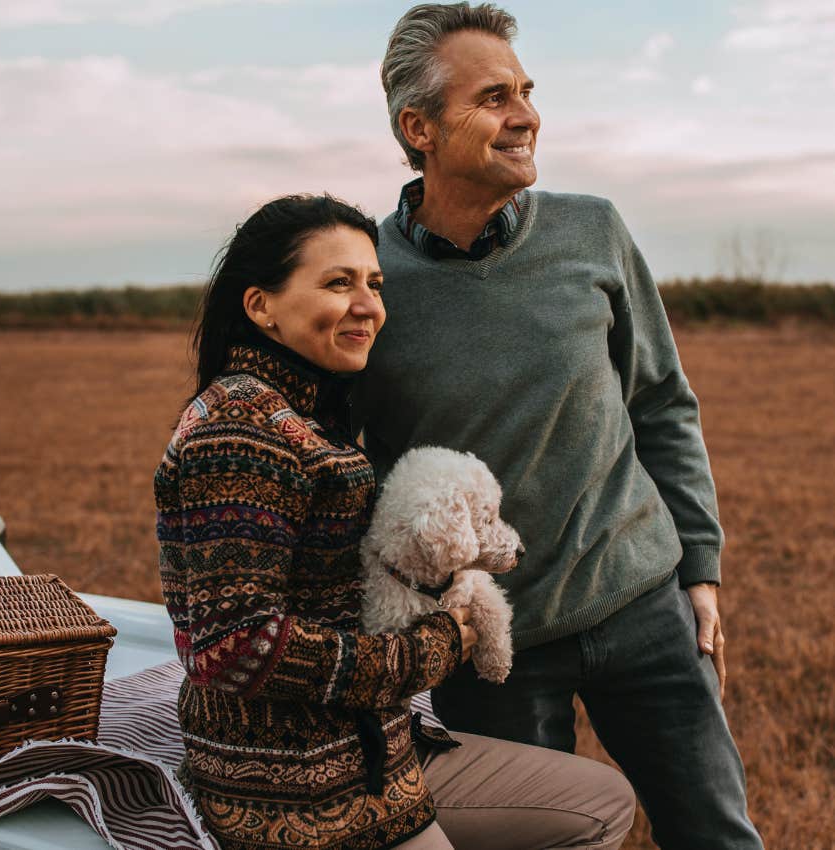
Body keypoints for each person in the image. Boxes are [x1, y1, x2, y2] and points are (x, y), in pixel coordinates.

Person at [355, 4, 765, 850]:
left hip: (644, 605)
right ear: (417, 126)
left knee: (717, 836)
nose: (526, 115)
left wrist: (701, 569)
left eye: (527, 91)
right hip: (491, 647)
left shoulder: (593, 230)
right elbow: (353, 468)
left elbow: (661, 403)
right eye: (494, 96)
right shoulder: (370, 280)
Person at [154, 194, 635, 850]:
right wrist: (430, 649)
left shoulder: (299, 410)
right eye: (337, 282)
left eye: (374, 284)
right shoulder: (245, 429)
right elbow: (236, 642)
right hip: (302, 793)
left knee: (601, 798)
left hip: (367, 749)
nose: (367, 304)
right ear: (260, 305)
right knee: (597, 809)